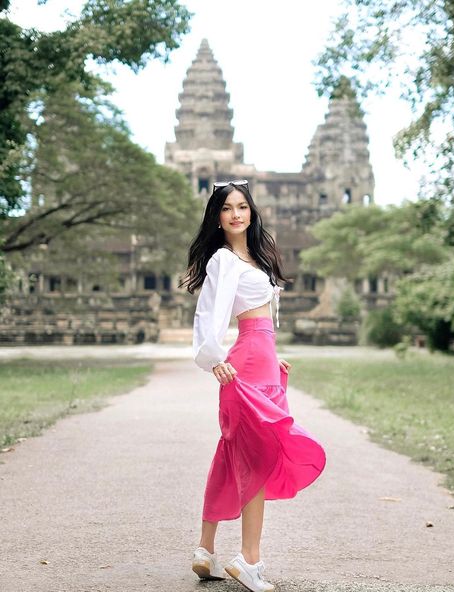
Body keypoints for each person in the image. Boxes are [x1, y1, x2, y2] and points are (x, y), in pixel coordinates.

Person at [179, 180, 326, 592]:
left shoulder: (255, 256)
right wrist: (214, 359)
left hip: (262, 361)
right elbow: (209, 313)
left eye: (243, 206)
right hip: (243, 366)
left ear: (251, 211)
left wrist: (269, 355)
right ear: (217, 217)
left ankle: (205, 551)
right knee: (257, 459)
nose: (236, 214)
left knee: (233, 454)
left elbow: (259, 321)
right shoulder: (224, 260)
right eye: (227, 208)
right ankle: (250, 561)